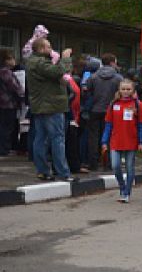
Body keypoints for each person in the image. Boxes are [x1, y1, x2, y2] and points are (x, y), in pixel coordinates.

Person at [26, 39, 76, 182]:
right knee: (57, 139)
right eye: (49, 46)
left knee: (40, 139)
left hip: (40, 105)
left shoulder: (33, 62)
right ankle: (63, 173)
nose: (51, 48)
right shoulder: (40, 62)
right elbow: (57, 71)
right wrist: (65, 59)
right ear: (41, 49)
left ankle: (43, 171)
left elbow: (51, 77)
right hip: (52, 105)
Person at [101, 79, 142, 202]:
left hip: (131, 141)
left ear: (133, 90)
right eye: (123, 89)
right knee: (115, 166)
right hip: (115, 141)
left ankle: (127, 192)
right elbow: (108, 124)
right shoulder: (113, 104)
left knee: (129, 167)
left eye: (128, 89)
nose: (125, 91)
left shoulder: (137, 104)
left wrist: (141, 141)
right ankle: (122, 186)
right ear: (119, 90)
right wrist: (104, 141)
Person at [85, 53, 123, 171]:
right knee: (111, 136)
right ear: (112, 63)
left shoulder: (93, 76)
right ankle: (109, 163)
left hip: (95, 110)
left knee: (93, 137)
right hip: (112, 110)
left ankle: (93, 163)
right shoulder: (118, 78)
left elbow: (87, 91)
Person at [0, 49, 24, 157]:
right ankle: (4, 149)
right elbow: (14, 87)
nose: (14, 60)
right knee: (7, 127)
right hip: (7, 103)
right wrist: (22, 93)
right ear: (5, 60)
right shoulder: (5, 71)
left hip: (4, 103)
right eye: (11, 58)